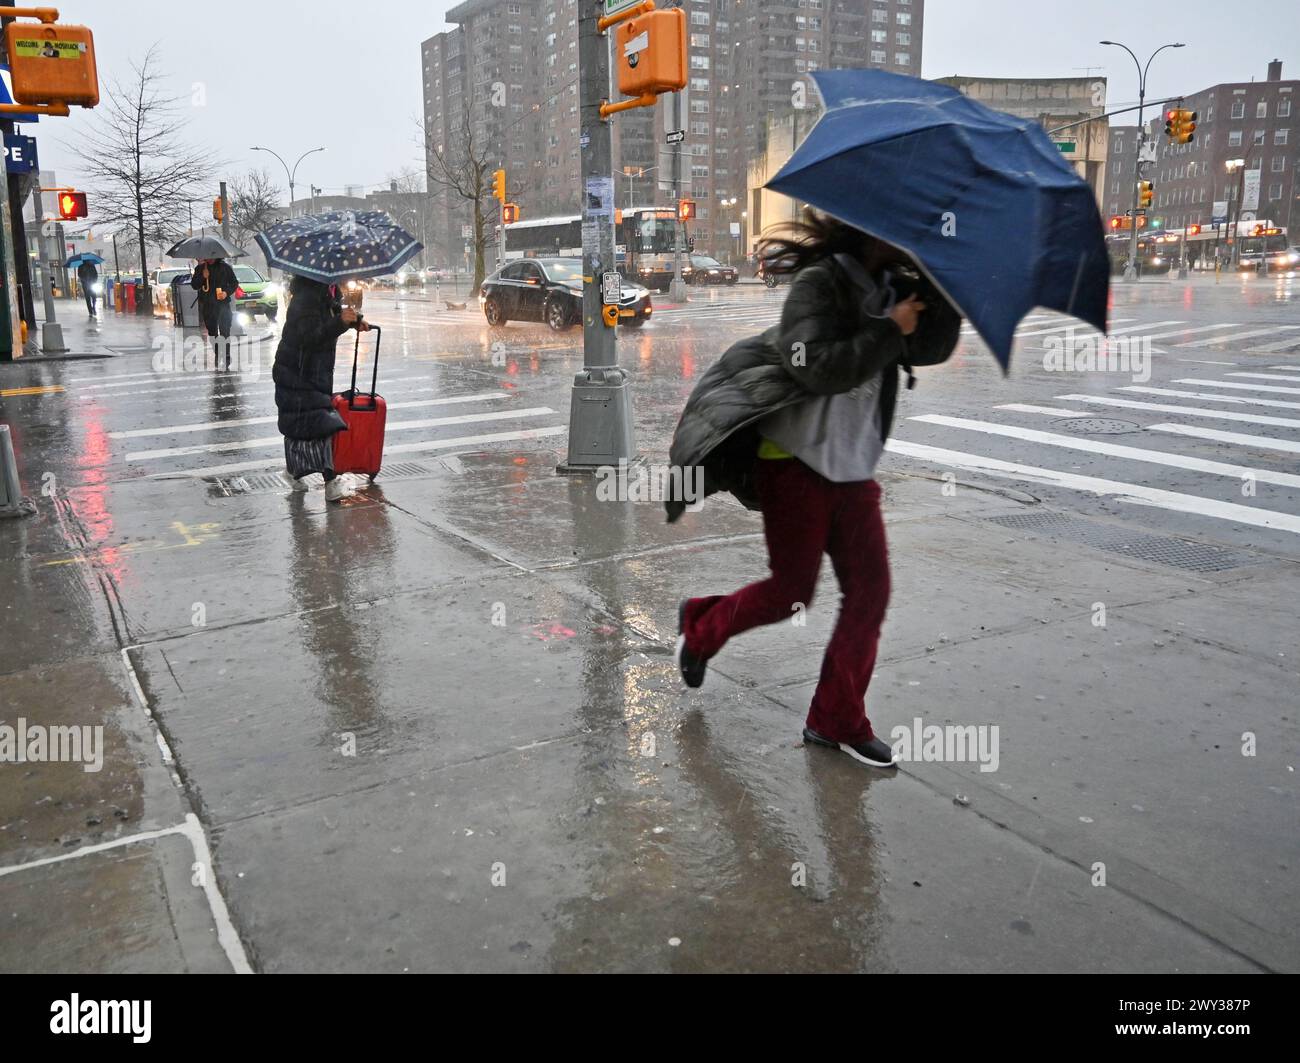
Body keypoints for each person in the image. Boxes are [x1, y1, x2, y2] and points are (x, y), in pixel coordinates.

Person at [665, 210, 962, 769]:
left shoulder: (897, 286)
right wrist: (886, 328)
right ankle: (701, 628)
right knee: (791, 593)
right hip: (795, 462)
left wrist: (941, 287)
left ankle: (834, 721)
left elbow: (930, 348)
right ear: (868, 225)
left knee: (870, 595)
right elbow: (816, 367)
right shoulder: (819, 283)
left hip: (853, 469)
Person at [273, 275, 370, 503]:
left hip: (312, 371)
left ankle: (293, 471)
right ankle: (331, 482)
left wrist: (353, 321)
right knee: (321, 423)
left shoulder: (327, 292)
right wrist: (340, 322)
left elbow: (329, 321)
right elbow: (310, 336)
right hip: (298, 371)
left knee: (305, 425)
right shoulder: (306, 297)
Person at [190, 257, 239, 367]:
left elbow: (234, 283)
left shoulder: (225, 268)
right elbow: (194, 285)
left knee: (225, 331)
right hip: (208, 305)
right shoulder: (201, 268)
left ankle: (226, 356)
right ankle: (218, 353)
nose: (210, 258)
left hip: (223, 304)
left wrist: (226, 293)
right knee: (212, 332)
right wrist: (203, 276)